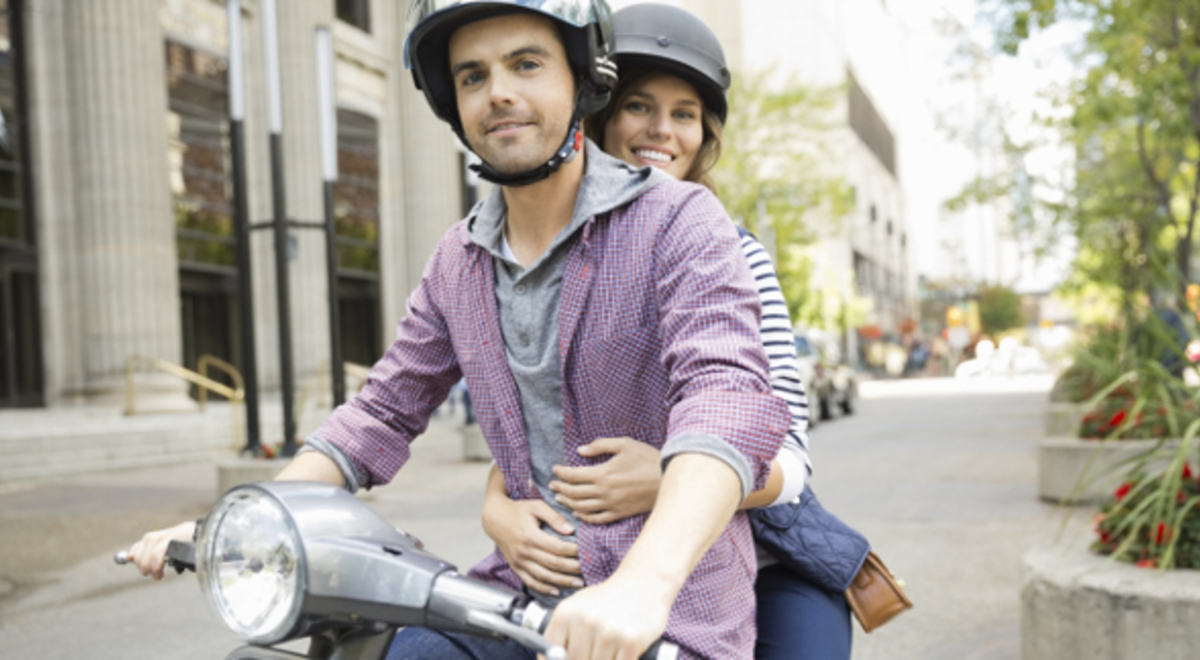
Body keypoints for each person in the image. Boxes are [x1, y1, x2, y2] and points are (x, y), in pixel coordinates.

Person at [129, 1, 790, 659]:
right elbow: (380, 412)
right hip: (514, 603)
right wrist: (243, 524)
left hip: (666, 619)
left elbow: (724, 398)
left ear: (582, 79)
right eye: (472, 76)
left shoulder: (679, 220)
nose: (498, 91)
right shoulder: (458, 259)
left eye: (526, 64)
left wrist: (645, 585)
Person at [479, 5, 855, 658]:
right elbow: (533, 419)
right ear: (596, 113)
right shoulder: (537, 251)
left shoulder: (730, 250)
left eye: (684, 114)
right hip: (593, 566)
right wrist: (496, 507)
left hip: (758, 555)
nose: (661, 130)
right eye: (638, 106)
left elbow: (790, 456)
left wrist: (666, 474)